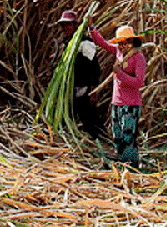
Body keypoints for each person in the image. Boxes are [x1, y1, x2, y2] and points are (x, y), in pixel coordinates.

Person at [88, 19, 146, 167]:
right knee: (118, 136)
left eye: (124, 42)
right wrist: (91, 28)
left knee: (129, 137)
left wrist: (120, 74)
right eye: (119, 42)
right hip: (117, 103)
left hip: (131, 105)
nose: (121, 45)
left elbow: (139, 82)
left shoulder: (138, 58)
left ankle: (132, 167)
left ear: (131, 41)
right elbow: (103, 43)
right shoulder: (119, 51)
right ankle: (122, 164)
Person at [56, 10, 105, 139]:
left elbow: (94, 67)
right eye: (63, 25)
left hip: (84, 87)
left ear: (75, 26)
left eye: (68, 25)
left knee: (89, 117)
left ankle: (103, 141)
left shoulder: (85, 43)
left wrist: (94, 88)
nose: (65, 28)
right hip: (71, 87)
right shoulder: (68, 43)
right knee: (73, 115)